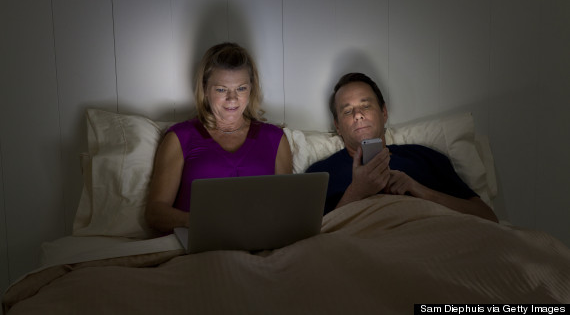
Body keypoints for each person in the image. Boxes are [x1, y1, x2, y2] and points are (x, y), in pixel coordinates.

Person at [306, 72, 498, 222]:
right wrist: (357, 191)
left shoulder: (425, 158)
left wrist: (418, 189)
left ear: (384, 113)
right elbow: (310, 241)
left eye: (365, 106)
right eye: (348, 111)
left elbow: (487, 217)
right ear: (337, 125)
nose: (358, 115)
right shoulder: (320, 175)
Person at [145, 42, 293, 232]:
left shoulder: (275, 138)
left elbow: (288, 211)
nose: (232, 99)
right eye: (221, 89)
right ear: (205, 90)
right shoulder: (180, 137)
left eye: (241, 88)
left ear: (251, 89)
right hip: (200, 247)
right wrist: (198, 221)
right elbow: (154, 213)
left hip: (261, 247)